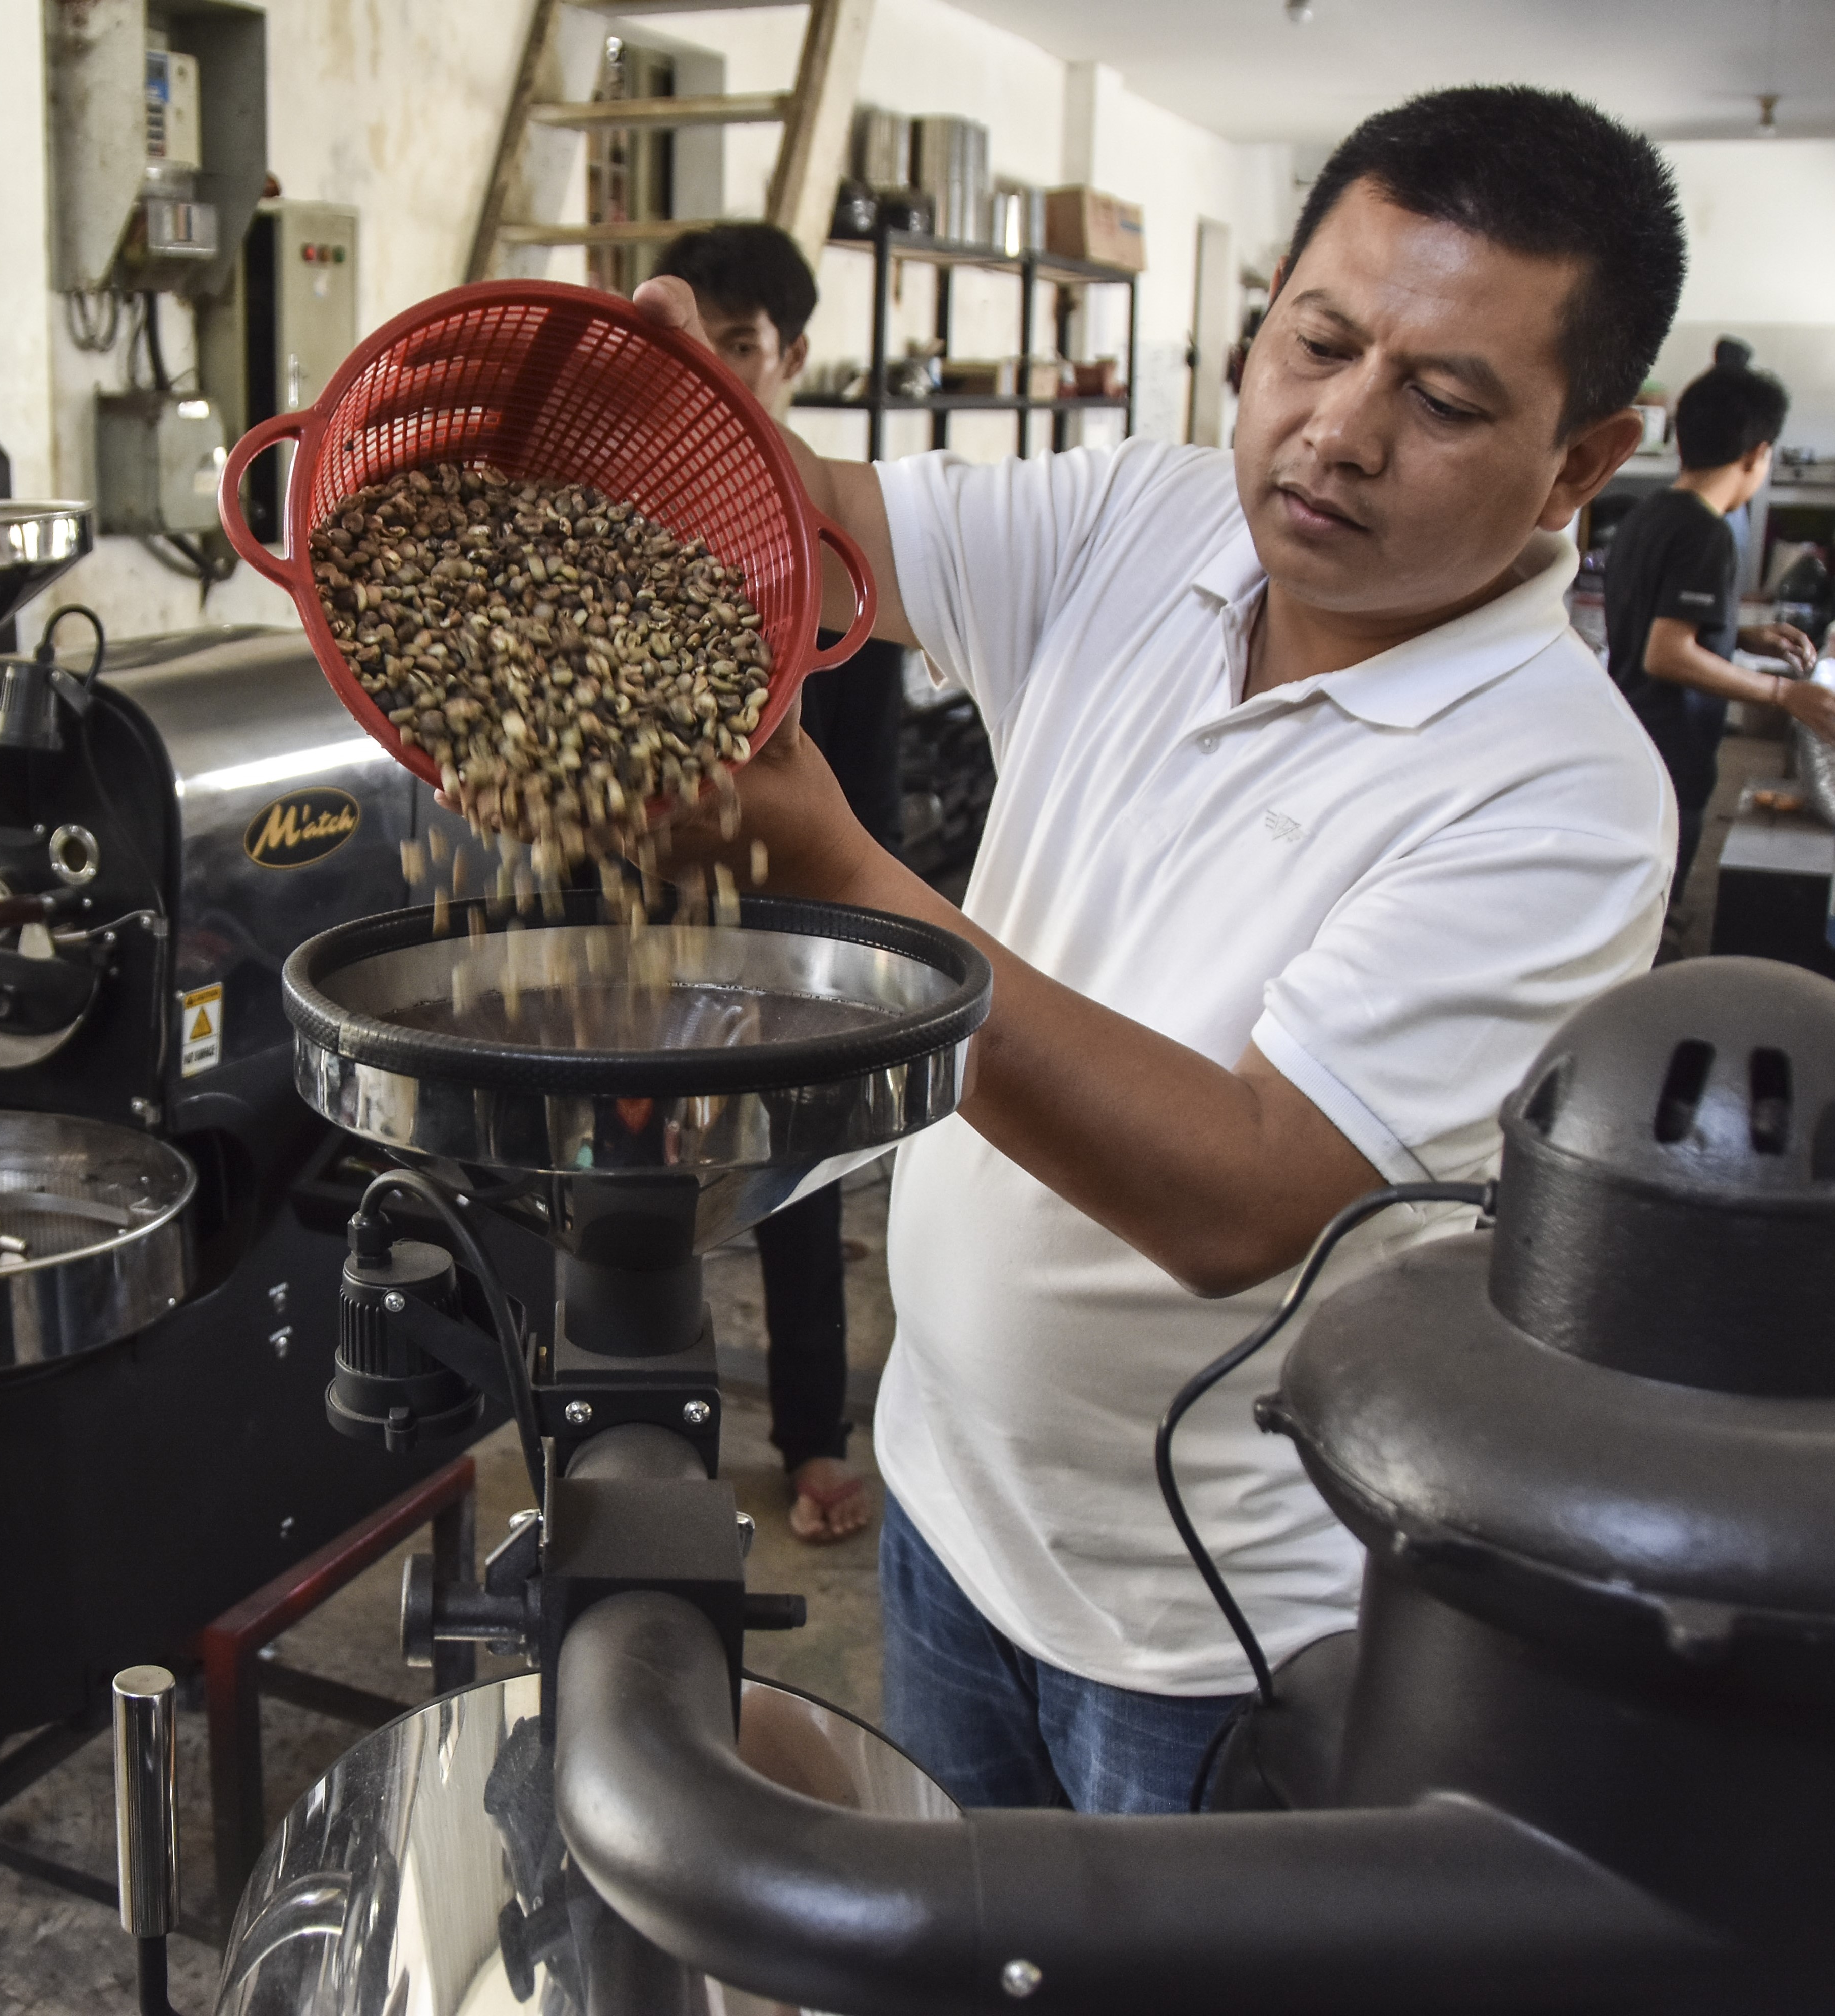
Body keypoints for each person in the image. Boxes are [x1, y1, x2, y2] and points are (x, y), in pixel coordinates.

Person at [636, 86, 1679, 1813]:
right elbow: (808, 526)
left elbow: (1239, 1193)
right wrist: (673, 417)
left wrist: (837, 877)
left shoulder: (1565, 798)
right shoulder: (1149, 523)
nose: (1334, 434)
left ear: (1583, 459)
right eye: (1315, 342)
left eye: (1437, 400)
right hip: (948, 1500)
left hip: (1204, 1630)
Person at [653, 222, 907, 1544]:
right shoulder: (623, 519)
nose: (714, 371)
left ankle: (811, 1439)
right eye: (691, 341)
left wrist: (829, 930)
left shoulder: (834, 546)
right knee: (631, 1193)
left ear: (790, 357)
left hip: (791, 910)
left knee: (792, 1188)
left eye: (740, 348)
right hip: (638, 921)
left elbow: (858, 778)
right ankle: (645, 1448)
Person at [1603, 344, 1825, 901]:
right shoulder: (1707, 533)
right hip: (1670, 751)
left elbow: (1653, 618)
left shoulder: (1646, 515)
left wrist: (1739, 633)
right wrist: (1782, 692)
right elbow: (1666, 653)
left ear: (1679, 439)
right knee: (1654, 905)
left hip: (1629, 736)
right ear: (1757, 454)